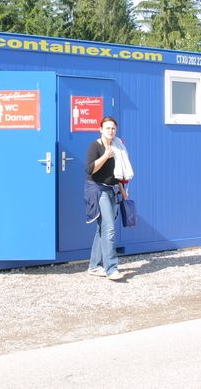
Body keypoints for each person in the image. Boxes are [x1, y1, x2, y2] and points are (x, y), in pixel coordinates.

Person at [84, 116, 131, 281]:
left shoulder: (117, 146)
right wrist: (105, 155)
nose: (111, 131)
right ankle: (111, 269)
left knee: (102, 229)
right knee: (109, 228)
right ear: (101, 129)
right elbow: (90, 169)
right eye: (108, 128)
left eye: (113, 128)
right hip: (98, 190)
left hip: (112, 190)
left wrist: (122, 190)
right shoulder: (95, 146)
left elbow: (116, 173)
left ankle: (94, 266)